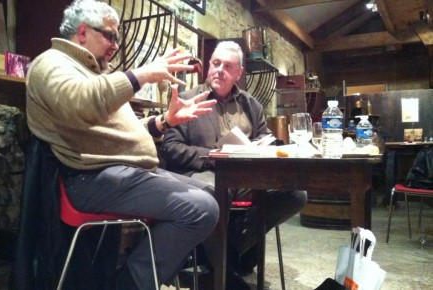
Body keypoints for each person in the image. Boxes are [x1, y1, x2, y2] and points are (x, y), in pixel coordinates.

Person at [24, 0, 220, 289]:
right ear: (82, 33)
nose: (115, 44)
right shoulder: (51, 63)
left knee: (212, 192)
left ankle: (214, 273)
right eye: (111, 36)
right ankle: (129, 283)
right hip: (90, 179)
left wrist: (164, 121)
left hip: (122, 174)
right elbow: (80, 104)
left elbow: (114, 132)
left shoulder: (95, 73)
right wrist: (140, 75)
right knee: (201, 208)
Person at [160, 41, 307, 287]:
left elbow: (264, 139)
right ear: (208, 66)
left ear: (238, 73)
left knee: (296, 194)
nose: (219, 70)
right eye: (216, 64)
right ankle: (224, 271)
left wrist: (270, 149)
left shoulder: (251, 105)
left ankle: (229, 252)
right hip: (204, 173)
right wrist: (213, 157)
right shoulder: (187, 100)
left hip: (247, 177)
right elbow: (170, 147)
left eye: (227, 66)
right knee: (215, 191)